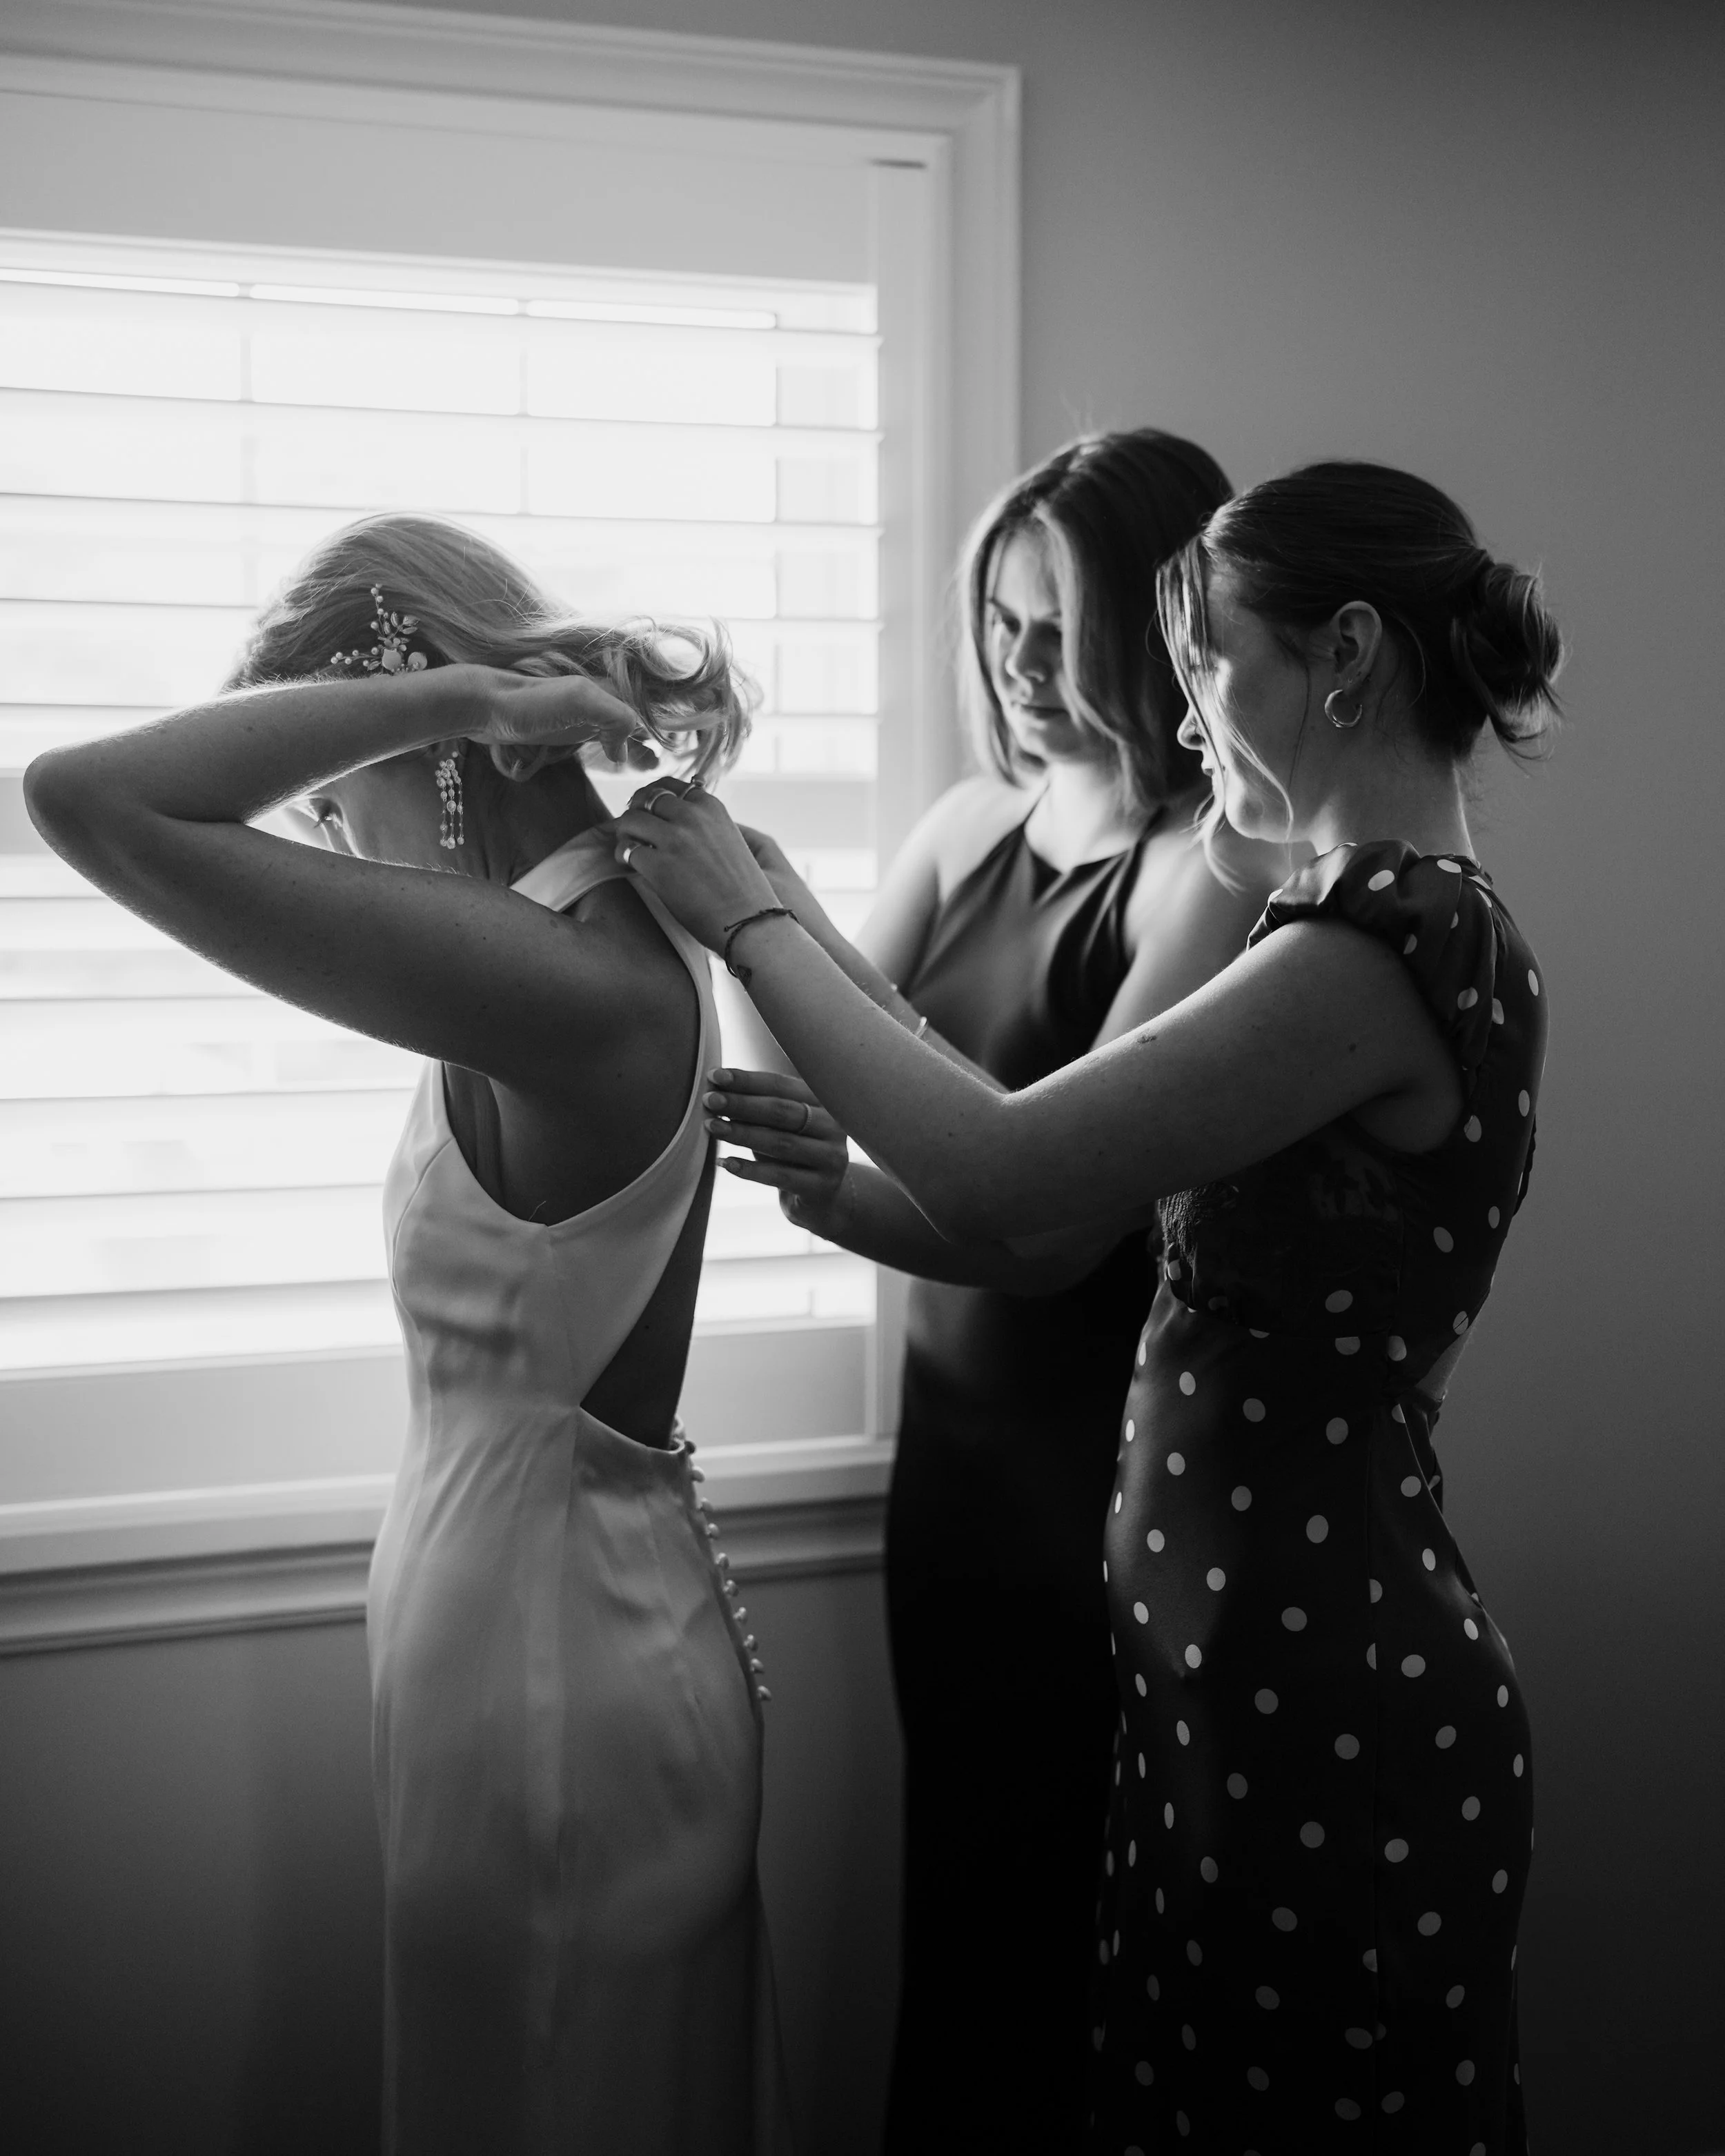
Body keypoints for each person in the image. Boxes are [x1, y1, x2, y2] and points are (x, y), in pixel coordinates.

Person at [608, 459, 1559, 2152]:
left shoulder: (1378, 942)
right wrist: (793, 928)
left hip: (1319, 1695)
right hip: (1223, 1670)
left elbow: (1011, 1178)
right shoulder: (1344, 922)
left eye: (1211, 660)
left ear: (1342, 659)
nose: (1190, 714)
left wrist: (749, 921)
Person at [23, 514, 794, 2156]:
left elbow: (84, 798)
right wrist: (437, 704)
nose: (331, 832)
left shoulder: (570, 976)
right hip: (519, 1649)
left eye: (332, 790)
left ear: (441, 745)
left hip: (554, 1689)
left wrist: (450, 694)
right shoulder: (539, 946)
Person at [742, 430, 1281, 2148]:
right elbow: (822, 1059)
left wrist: (840, 1192)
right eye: (998, 623)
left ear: (1159, 624)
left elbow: (1048, 1216)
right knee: (962, 1911)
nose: (1021, 668)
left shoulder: (1212, 870)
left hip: (1105, 1481)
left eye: (1060, 628)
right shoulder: (967, 824)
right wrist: (750, 901)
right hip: (953, 1472)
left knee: (1082, 1931)